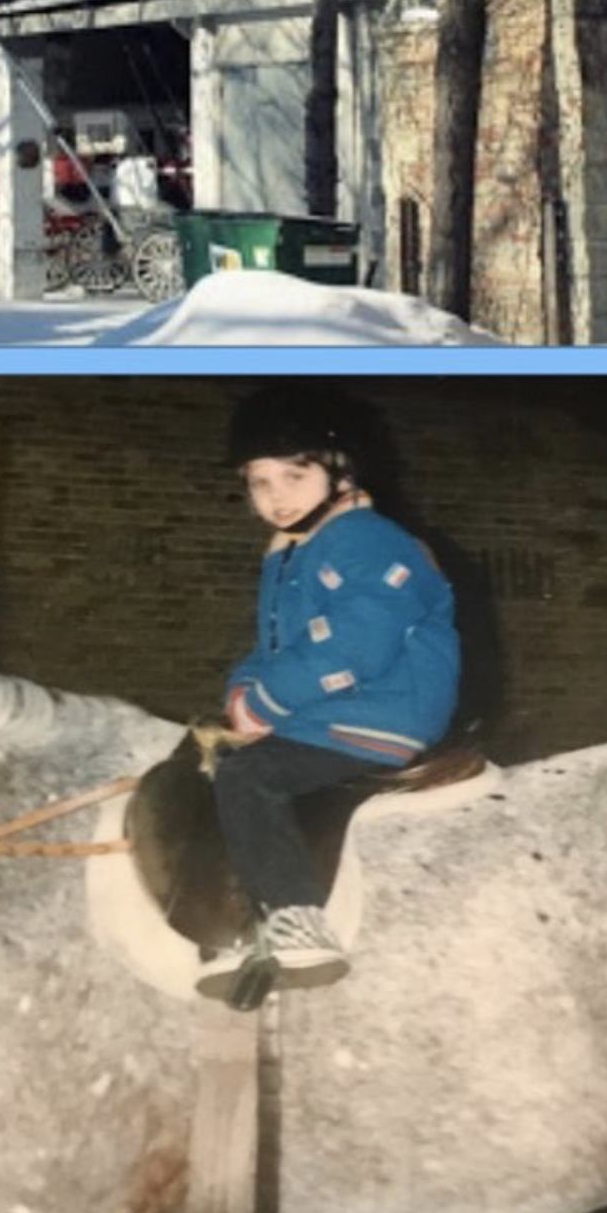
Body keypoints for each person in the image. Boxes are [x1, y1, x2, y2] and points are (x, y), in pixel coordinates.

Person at [200, 390, 461, 1001]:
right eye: (259, 481)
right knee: (222, 767)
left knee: (246, 780)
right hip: (331, 711)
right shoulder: (293, 555)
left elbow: (358, 647)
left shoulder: (367, 539)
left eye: (294, 474)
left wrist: (263, 704)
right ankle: (244, 919)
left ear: (342, 470)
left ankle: (298, 922)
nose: (275, 495)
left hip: (383, 708)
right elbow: (274, 651)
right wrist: (242, 690)